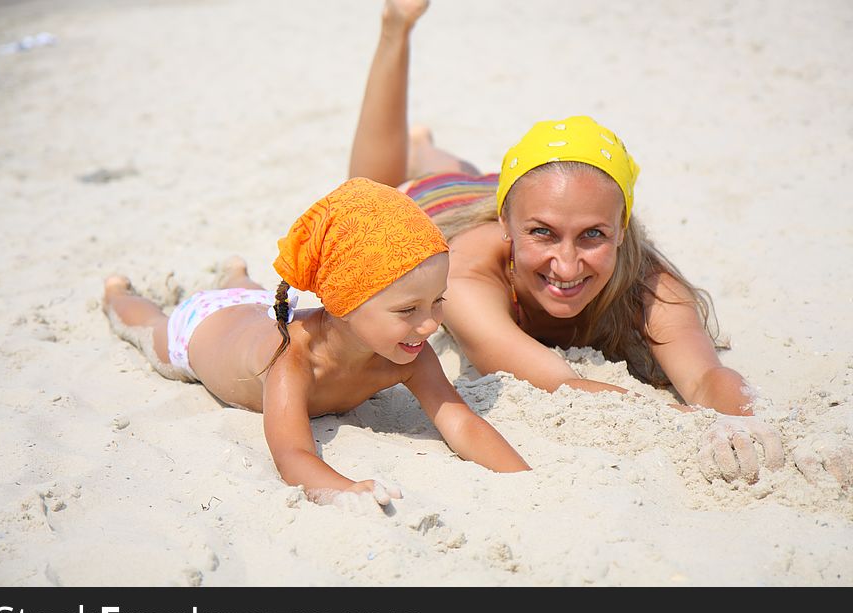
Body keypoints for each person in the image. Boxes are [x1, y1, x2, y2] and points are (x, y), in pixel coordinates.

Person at [347, 0, 787, 484]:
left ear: (622, 229)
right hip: (441, 209)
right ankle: (397, 36)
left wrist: (746, 420)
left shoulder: (650, 283)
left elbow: (706, 378)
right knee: (372, 195)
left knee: (473, 177)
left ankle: (431, 150)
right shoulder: (465, 273)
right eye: (543, 235)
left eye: (594, 236)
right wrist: (697, 425)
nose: (567, 263)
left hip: (535, 191)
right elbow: (563, 383)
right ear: (506, 226)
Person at [103, 177, 530, 507]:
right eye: (408, 310)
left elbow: (461, 422)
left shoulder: (408, 353)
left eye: (438, 302)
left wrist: (524, 478)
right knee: (151, 328)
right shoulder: (291, 359)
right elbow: (293, 455)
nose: (429, 325)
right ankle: (117, 294)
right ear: (344, 304)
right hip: (201, 329)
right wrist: (349, 491)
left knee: (251, 293)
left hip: (260, 308)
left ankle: (237, 275)